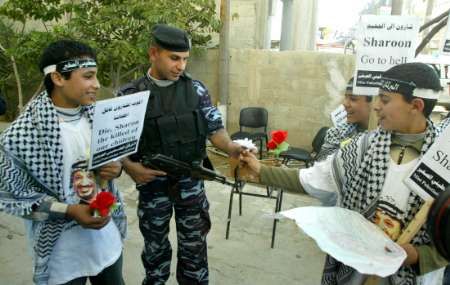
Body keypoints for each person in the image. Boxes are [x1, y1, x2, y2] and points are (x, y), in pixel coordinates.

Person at [240, 62, 448, 284]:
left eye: (385, 99)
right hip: (356, 275)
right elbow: (313, 179)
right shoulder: (362, 147)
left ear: (415, 106)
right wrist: (261, 170)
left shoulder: (443, 161)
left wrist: (418, 256)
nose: (376, 106)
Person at [117, 24, 242, 285]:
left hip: (191, 184)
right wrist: (131, 168)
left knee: (194, 250)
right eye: (174, 58)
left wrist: (231, 147)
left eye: (185, 59)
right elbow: (116, 146)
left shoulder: (196, 90)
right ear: (153, 53)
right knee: (155, 250)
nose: (181, 66)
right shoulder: (131, 95)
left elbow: (215, 129)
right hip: (153, 186)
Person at [0, 39, 126, 285]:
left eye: (95, 76)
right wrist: (69, 210)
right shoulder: (19, 136)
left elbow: (112, 167)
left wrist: (116, 169)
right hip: (62, 253)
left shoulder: (99, 118)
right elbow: (13, 197)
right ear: (58, 78)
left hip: (106, 241)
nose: (97, 85)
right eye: (88, 76)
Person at [316, 77, 372, 161]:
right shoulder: (336, 134)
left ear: (373, 102)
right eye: (346, 97)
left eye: (353, 99)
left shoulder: (388, 139)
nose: (345, 104)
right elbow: (323, 168)